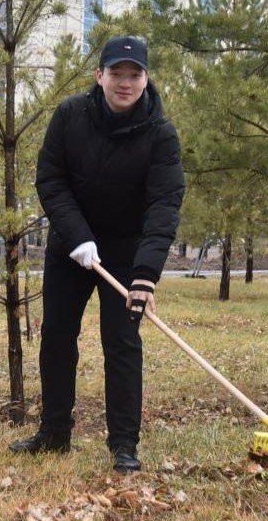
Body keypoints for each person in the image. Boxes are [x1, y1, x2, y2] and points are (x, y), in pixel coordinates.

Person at [10, 35, 185, 472]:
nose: (125, 82)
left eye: (134, 74)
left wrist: (144, 275)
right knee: (57, 339)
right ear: (99, 76)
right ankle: (54, 433)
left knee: (123, 343)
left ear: (145, 79)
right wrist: (77, 237)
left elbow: (164, 204)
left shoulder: (160, 133)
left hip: (126, 251)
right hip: (72, 247)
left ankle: (124, 444)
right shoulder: (70, 115)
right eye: (116, 73)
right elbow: (51, 179)